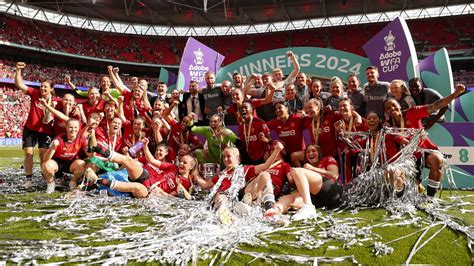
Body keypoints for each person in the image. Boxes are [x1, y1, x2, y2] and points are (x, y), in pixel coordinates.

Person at [384, 83, 466, 197]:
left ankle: (430, 197)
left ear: (399, 106)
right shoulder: (389, 127)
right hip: (407, 158)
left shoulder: (413, 112)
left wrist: (456, 93)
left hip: (424, 150)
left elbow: (436, 105)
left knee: (437, 159)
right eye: (388, 108)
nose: (392, 108)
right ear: (386, 113)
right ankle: (401, 196)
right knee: (398, 176)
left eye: (393, 105)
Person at [193, 143, 285, 224]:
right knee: (220, 195)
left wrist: (277, 151)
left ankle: (270, 208)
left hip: (242, 194)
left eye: (228, 156)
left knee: (265, 175)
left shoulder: (244, 169)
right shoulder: (221, 174)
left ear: (237, 157)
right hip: (225, 197)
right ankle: (226, 213)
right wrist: (195, 174)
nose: (225, 159)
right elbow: (205, 185)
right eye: (224, 157)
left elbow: (265, 166)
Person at [86, 138, 198, 199]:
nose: (181, 164)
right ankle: (98, 148)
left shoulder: (187, 183)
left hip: (149, 193)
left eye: (185, 163)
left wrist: (161, 193)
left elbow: (173, 197)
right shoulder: (172, 167)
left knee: (137, 187)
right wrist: (145, 147)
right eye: (181, 161)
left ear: (191, 167)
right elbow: (152, 161)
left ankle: (96, 181)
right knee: (128, 160)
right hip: (147, 180)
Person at [265, 144, 342, 221]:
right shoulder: (305, 168)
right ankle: (274, 213)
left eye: (313, 151)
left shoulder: (327, 159)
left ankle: (308, 207)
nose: (310, 153)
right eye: (308, 152)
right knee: (286, 199)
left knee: (297, 171)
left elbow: (335, 175)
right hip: (315, 199)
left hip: (331, 191)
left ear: (319, 152)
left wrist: (313, 169)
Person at [14, 62, 58, 187]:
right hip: (30, 128)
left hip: (46, 131)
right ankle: (29, 179)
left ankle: (45, 176)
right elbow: (19, 84)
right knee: (28, 153)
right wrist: (18, 70)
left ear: (51, 89)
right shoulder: (35, 94)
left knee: (43, 155)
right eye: (41, 86)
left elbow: (49, 119)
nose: (43, 88)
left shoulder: (55, 101)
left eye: (45, 87)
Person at [41, 119, 87, 193]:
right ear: (66, 127)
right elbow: (45, 159)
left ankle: (73, 182)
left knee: (82, 164)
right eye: (71, 127)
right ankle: (51, 184)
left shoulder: (82, 139)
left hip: (71, 163)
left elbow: (89, 154)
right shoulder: (59, 139)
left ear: (79, 128)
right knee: (46, 165)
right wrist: (52, 148)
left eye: (75, 127)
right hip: (57, 162)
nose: (73, 130)